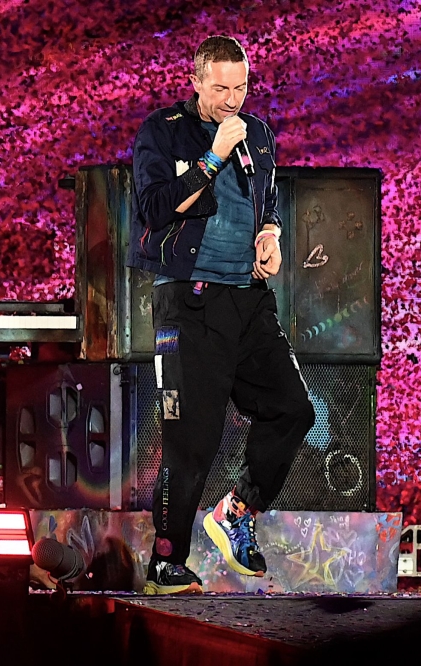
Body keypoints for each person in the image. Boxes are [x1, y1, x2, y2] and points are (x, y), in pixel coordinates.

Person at [129, 36, 315, 594]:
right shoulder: (163, 131)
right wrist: (211, 158)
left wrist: (270, 236)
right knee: (192, 434)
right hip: (189, 299)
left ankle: (237, 511)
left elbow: (268, 201)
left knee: (292, 408)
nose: (233, 100)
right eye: (220, 88)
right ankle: (166, 560)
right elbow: (154, 208)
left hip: (248, 298)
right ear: (195, 81)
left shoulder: (258, 133)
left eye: (241, 87)